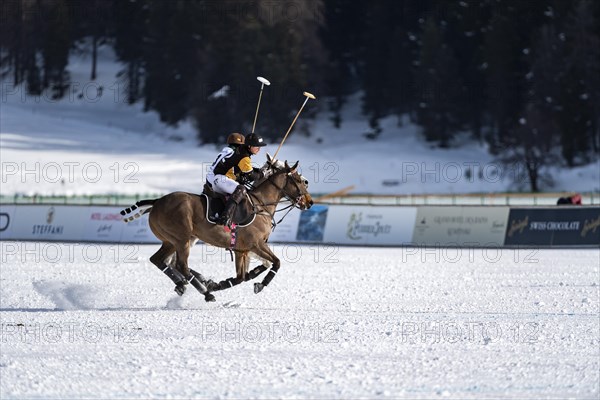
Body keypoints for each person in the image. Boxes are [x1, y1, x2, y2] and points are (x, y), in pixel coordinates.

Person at [206, 133, 267, 226]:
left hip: (216, 179)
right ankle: (226, 216)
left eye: (259, 147)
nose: (259, 149)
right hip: (221, 179)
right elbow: (251, 176)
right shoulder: (244, 156)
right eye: (256, 146)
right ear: (249, 146)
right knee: (241, 189)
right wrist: (263, 174)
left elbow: (241, 170)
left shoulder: (239, 152)